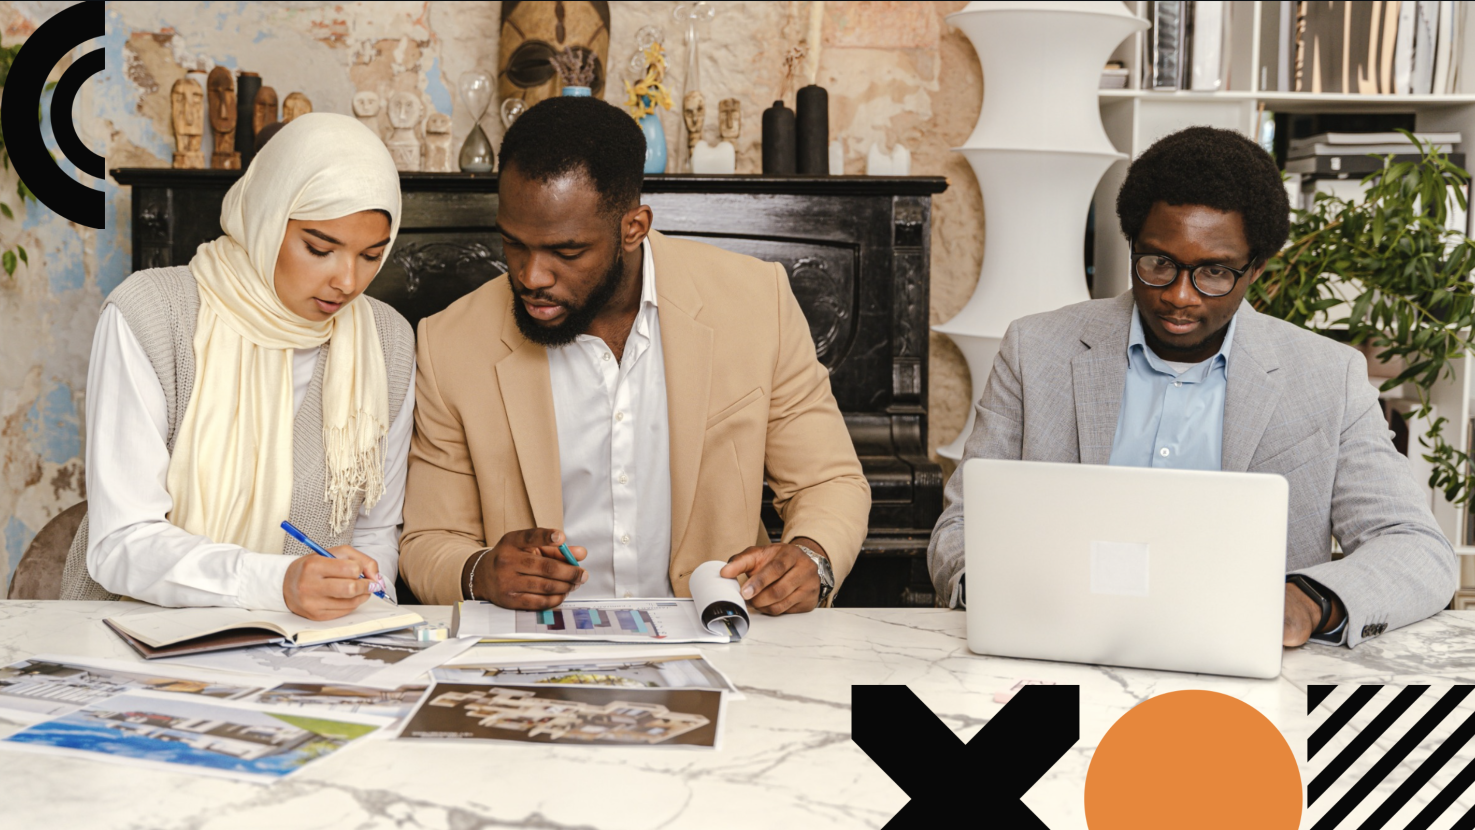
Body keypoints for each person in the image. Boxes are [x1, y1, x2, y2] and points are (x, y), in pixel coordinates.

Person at [928, 126, 1458, 648]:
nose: (1180, 295)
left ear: (1257, 269)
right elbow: (961, 528)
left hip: (1247, 673)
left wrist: (1309, 600)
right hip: (1060, 649)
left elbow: (1416, 548)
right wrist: (1001, 593)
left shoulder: (1327, 377)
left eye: (1215, 272)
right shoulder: (1034, 350)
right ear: (1133, 244)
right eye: (1159, 262)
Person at [400, 96, 870, 613]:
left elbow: (829, 481)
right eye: (514, 244)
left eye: (567, 251)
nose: (531, 277)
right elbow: (428, 540)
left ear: (633, 228)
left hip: (720, 643)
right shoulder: (450, 342)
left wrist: (812, 558)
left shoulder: (757, 302)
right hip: (538, 658)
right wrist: (480, 573)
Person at [61, 113, 416, 621]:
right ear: (266, 217)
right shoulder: (151, 315)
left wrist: (356, 588)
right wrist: (278, 582)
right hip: (133, 633)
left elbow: (376, 532)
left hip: (309, 644)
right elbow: (120, 542)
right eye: (320, 248)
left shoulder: (387, 340)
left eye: (371, 255)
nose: (347, 281)